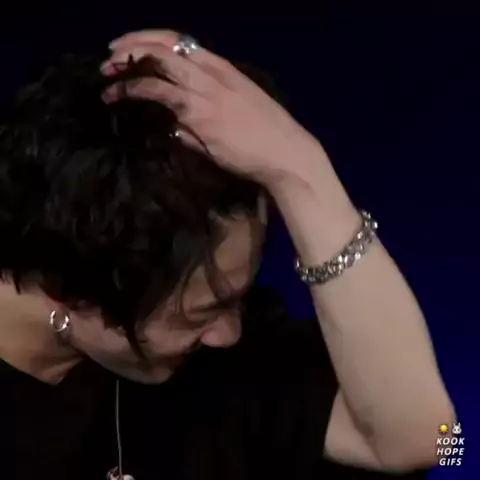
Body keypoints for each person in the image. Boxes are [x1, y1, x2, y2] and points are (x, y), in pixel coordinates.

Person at [0, 29, 454, 480]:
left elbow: (438, 442)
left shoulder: (227, 362)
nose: (228, 333)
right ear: (70, 296)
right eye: (202, 312)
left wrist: (301, 171)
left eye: (235, 300)